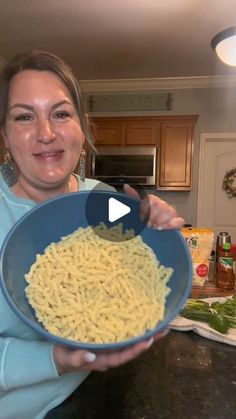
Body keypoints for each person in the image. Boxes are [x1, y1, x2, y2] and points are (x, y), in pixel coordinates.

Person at [0, 50, 184, 418]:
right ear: (5, 135)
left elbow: (138, 226)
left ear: (82, 128)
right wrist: (56, 359)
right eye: (24, 116)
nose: (46, 134)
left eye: (61, 113)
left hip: (87, 400)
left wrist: (157, 219)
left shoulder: (100, 198)